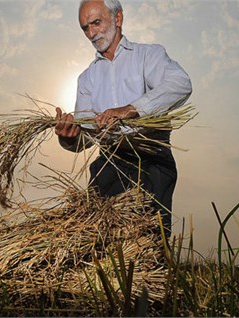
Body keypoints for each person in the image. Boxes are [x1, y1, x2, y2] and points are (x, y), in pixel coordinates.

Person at [54, 0, 192, 238]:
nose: (91, 33)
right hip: (109, 164)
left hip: (151, 160)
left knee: (150, 243)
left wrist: (132, 108)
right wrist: (69, 137)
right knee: (100, 241)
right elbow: (86, 136)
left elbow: (181, 84)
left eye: (96, 23)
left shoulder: (149, 55)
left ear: (118, 19)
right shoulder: (86, 79)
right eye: (85, 28)